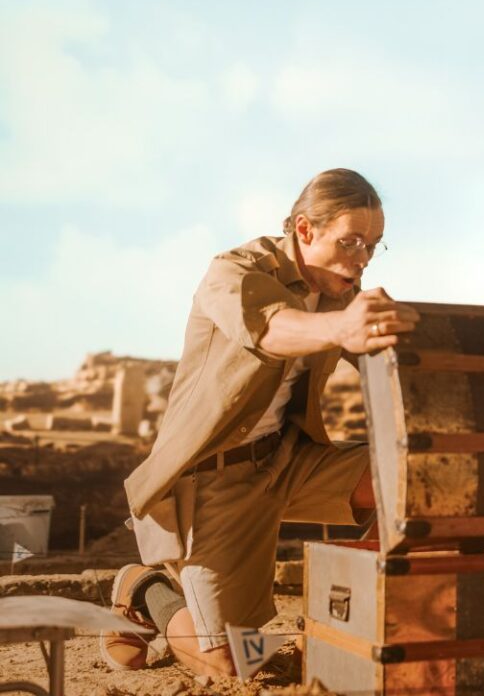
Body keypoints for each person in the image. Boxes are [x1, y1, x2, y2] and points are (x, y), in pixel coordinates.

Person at [101, 168, 418, 678]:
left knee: (412, 476)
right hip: (215, 482)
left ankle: (374, 611)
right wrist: (344, 326)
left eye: (373, 245)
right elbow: (271, 330)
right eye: (351, 242)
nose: (362, 259)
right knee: (235, 663)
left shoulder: (339, 290)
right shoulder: (233, 272)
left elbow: (394, 358)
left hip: (290, 459)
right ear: (305, 230)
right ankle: (146, 588)